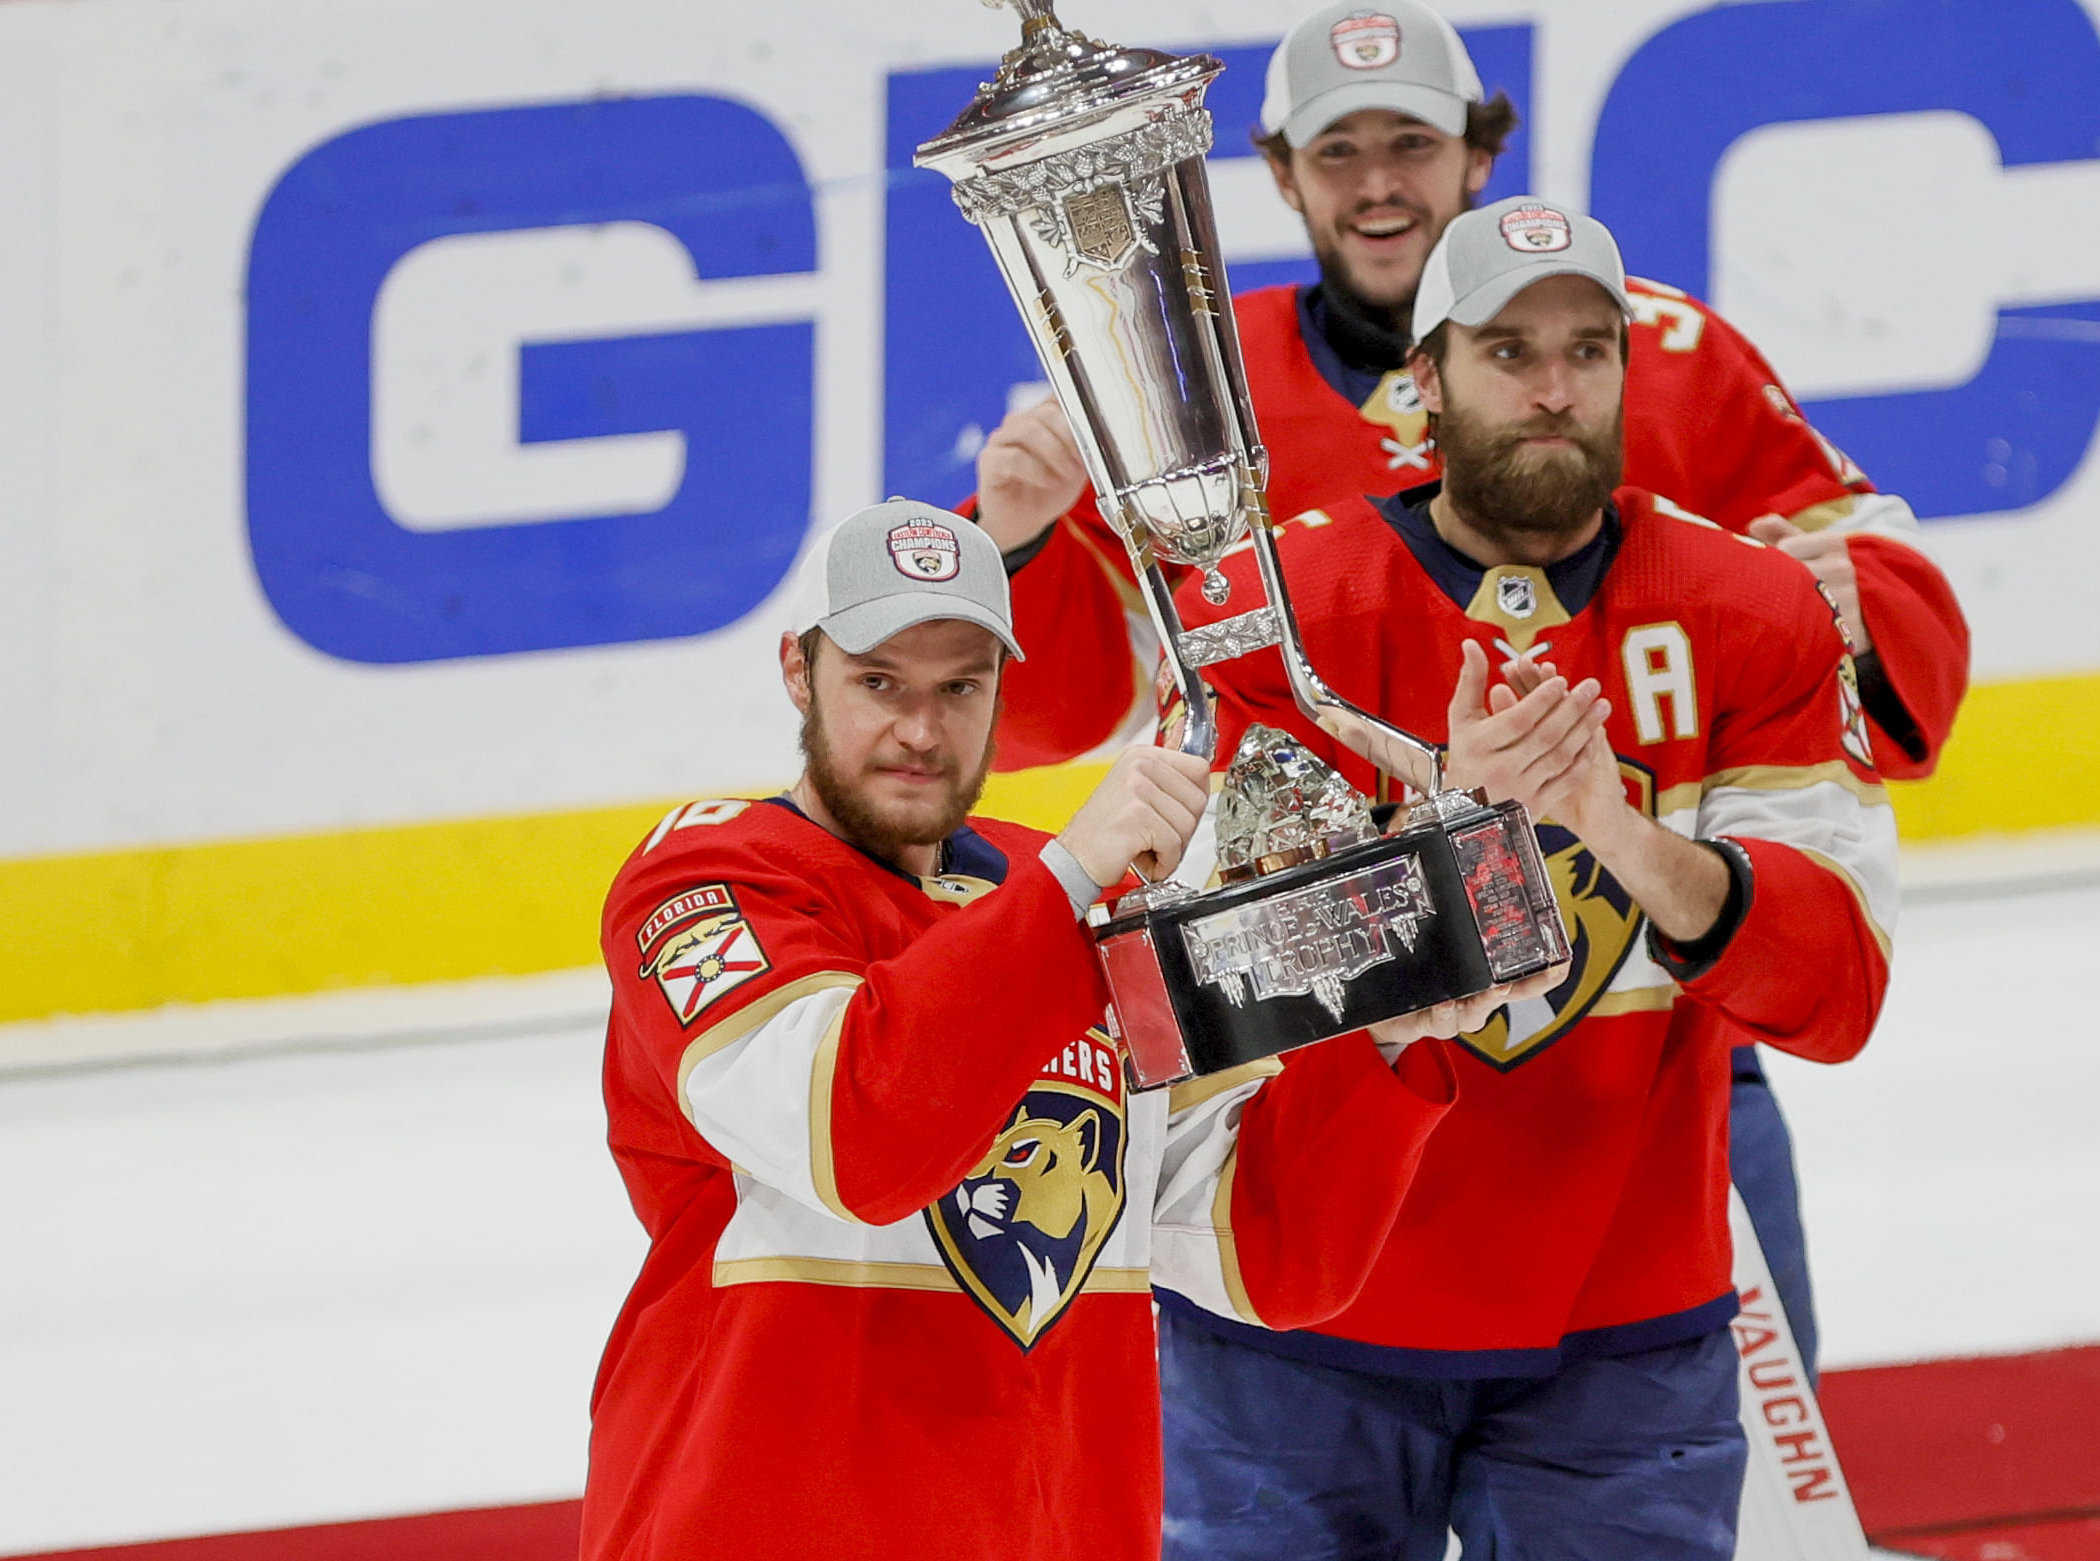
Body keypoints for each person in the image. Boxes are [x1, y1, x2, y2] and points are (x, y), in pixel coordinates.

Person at [973, 0, 1951, 1374]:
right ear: (1280, 173)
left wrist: (1856, 607)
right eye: (1338, 151)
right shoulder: (1192, 385)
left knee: (1721, 1448)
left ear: (1475, 154)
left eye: (1412, 144)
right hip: (1345, 1031)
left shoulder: (1654, 348)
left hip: (1651, 1021)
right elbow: (1069, 711)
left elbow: (1860, 599)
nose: (1379, 183)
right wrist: (1020, 540)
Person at [581, 499, 1558, 1561]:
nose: (920, 728)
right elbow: (856, 1133)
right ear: (795, 672)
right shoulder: (709, 878)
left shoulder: (1068, 908)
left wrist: (1383, 1040)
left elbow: (1266, 1250)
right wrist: (1067, 881)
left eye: (960, 686)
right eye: (878, 683)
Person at [1151, 200, 1897, 1560]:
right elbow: (1184, 991)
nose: (1554, 389)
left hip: (1620, 1333)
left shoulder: (1748, 611)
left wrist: (1613, 830)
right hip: (1297, 1314)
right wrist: (1451, 832)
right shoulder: (1278, 620)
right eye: (1506, 352)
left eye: (1588, 350)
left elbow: (1835, 987)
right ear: (1421, 379)